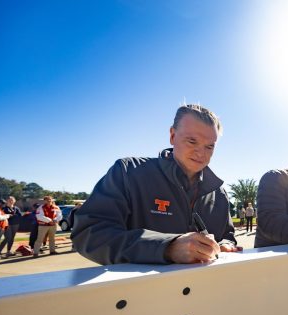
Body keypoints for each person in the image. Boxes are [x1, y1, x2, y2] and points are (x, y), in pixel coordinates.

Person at [71, 104, 238, 265]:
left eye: (209, 146)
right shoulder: (128, 172)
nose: (201, 153)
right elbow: (89, 234)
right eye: (192, 141)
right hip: (142, 292)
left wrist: (225, 245)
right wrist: (167, 247)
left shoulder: (219, 192)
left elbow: (227, 235)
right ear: (172, 135)